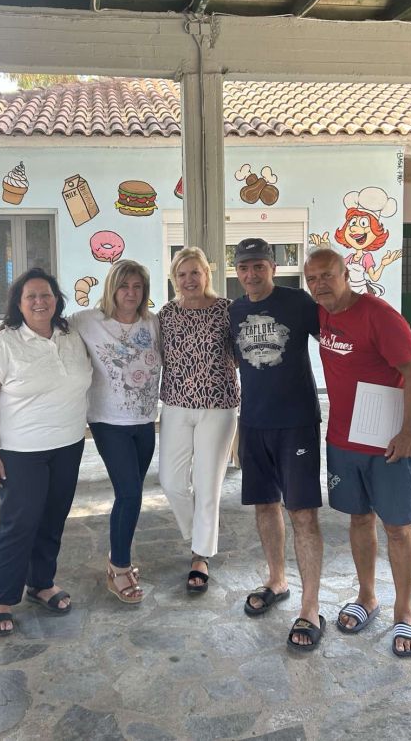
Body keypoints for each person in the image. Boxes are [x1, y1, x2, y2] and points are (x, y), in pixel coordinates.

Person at [304, 248, 411, 657]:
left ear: (345, 274)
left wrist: (410, 432)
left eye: (327, 275)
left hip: (387, 440)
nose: (320, 284)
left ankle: (404, 612)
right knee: (359, 518)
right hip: (343, 439)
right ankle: (367, 596)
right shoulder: (320, 315)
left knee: (398, 526)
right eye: (312, 278)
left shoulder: (379, 316)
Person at [0, 268, 92, 636]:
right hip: (20, 451)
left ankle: (41, 583)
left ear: (57, 300)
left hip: (68, 446)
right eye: (31, 296)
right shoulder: (3, 344)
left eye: (46, 295)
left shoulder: (71, 335)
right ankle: (1, 598)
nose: (40, 302)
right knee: (19, 524)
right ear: (19, 303)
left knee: (53, 519)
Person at [229, 238, 324, 651]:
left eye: (259, 266)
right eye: (244, 267)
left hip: (296, 424)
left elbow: (336, 340)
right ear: (237, 271)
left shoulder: (298, 303)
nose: (251, 274)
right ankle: (277, 579)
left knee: (302, 514)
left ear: (273, 266)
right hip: (254, 423)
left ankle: (310, 606)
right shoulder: (234, 311)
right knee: (265, 506)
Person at [70, 260, 161, 605]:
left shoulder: (152, 323)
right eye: (124, 286)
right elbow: (47, 325)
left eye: (137, 287)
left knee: (132, 494)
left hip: (144, 421)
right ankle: (119, 567)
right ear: (112, 288)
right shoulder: (88, 321)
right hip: (109, 423)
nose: (130, 293)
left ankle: (118, 555)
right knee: (129, 493)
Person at [158, 247, 239, 594]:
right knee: (171, 482)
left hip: (218, 407)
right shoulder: (166, 314)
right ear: (174, 279)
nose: (189, 279)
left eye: (195, 272)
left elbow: (243, 355)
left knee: (207, 485)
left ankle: (200, 556)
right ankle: (199, 533)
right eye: (182, 274)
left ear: (207, 273)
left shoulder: (227, 310)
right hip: (175, 406)